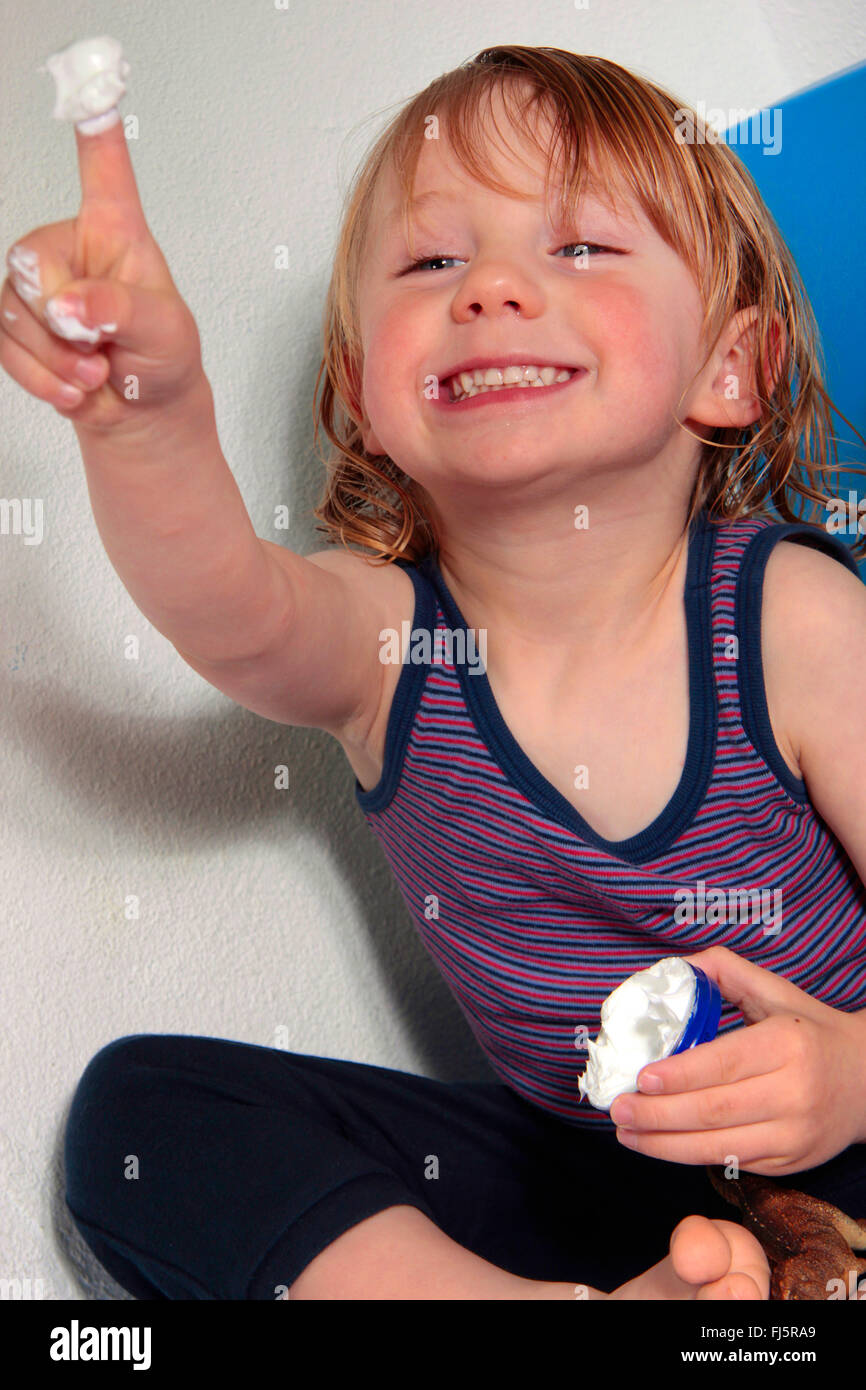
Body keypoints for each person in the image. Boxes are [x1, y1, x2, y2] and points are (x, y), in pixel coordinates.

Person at [3, 44, 865, 1301]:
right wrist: (145, 416)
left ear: (727, 367)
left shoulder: (788, 617)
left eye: (577, 249)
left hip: (847, 1143)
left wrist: (845, 1077)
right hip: (597, 1201)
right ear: (362, 394)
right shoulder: (391, 645)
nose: (492, 290)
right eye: (431, 261)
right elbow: (227, 607)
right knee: (144, 1113)